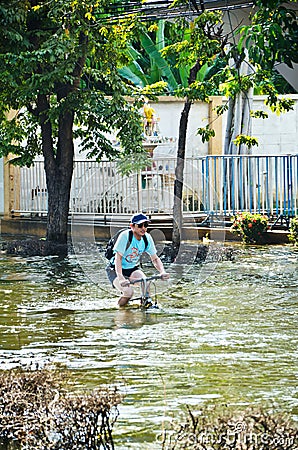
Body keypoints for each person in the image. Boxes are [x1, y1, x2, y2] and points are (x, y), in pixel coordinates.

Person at [106, 213, 169, 306]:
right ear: (132, 226)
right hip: (115, 269)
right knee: (128, 292)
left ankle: (145, 307)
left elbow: (155, 258)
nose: (143, 228)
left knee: (146, 283)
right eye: (140, 225)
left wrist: (162, 271)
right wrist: (121, 278)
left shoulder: (147, 238)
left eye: (146, 225)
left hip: (131, 268)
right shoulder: (125, 236)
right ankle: (120, 310)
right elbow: (118, 259)